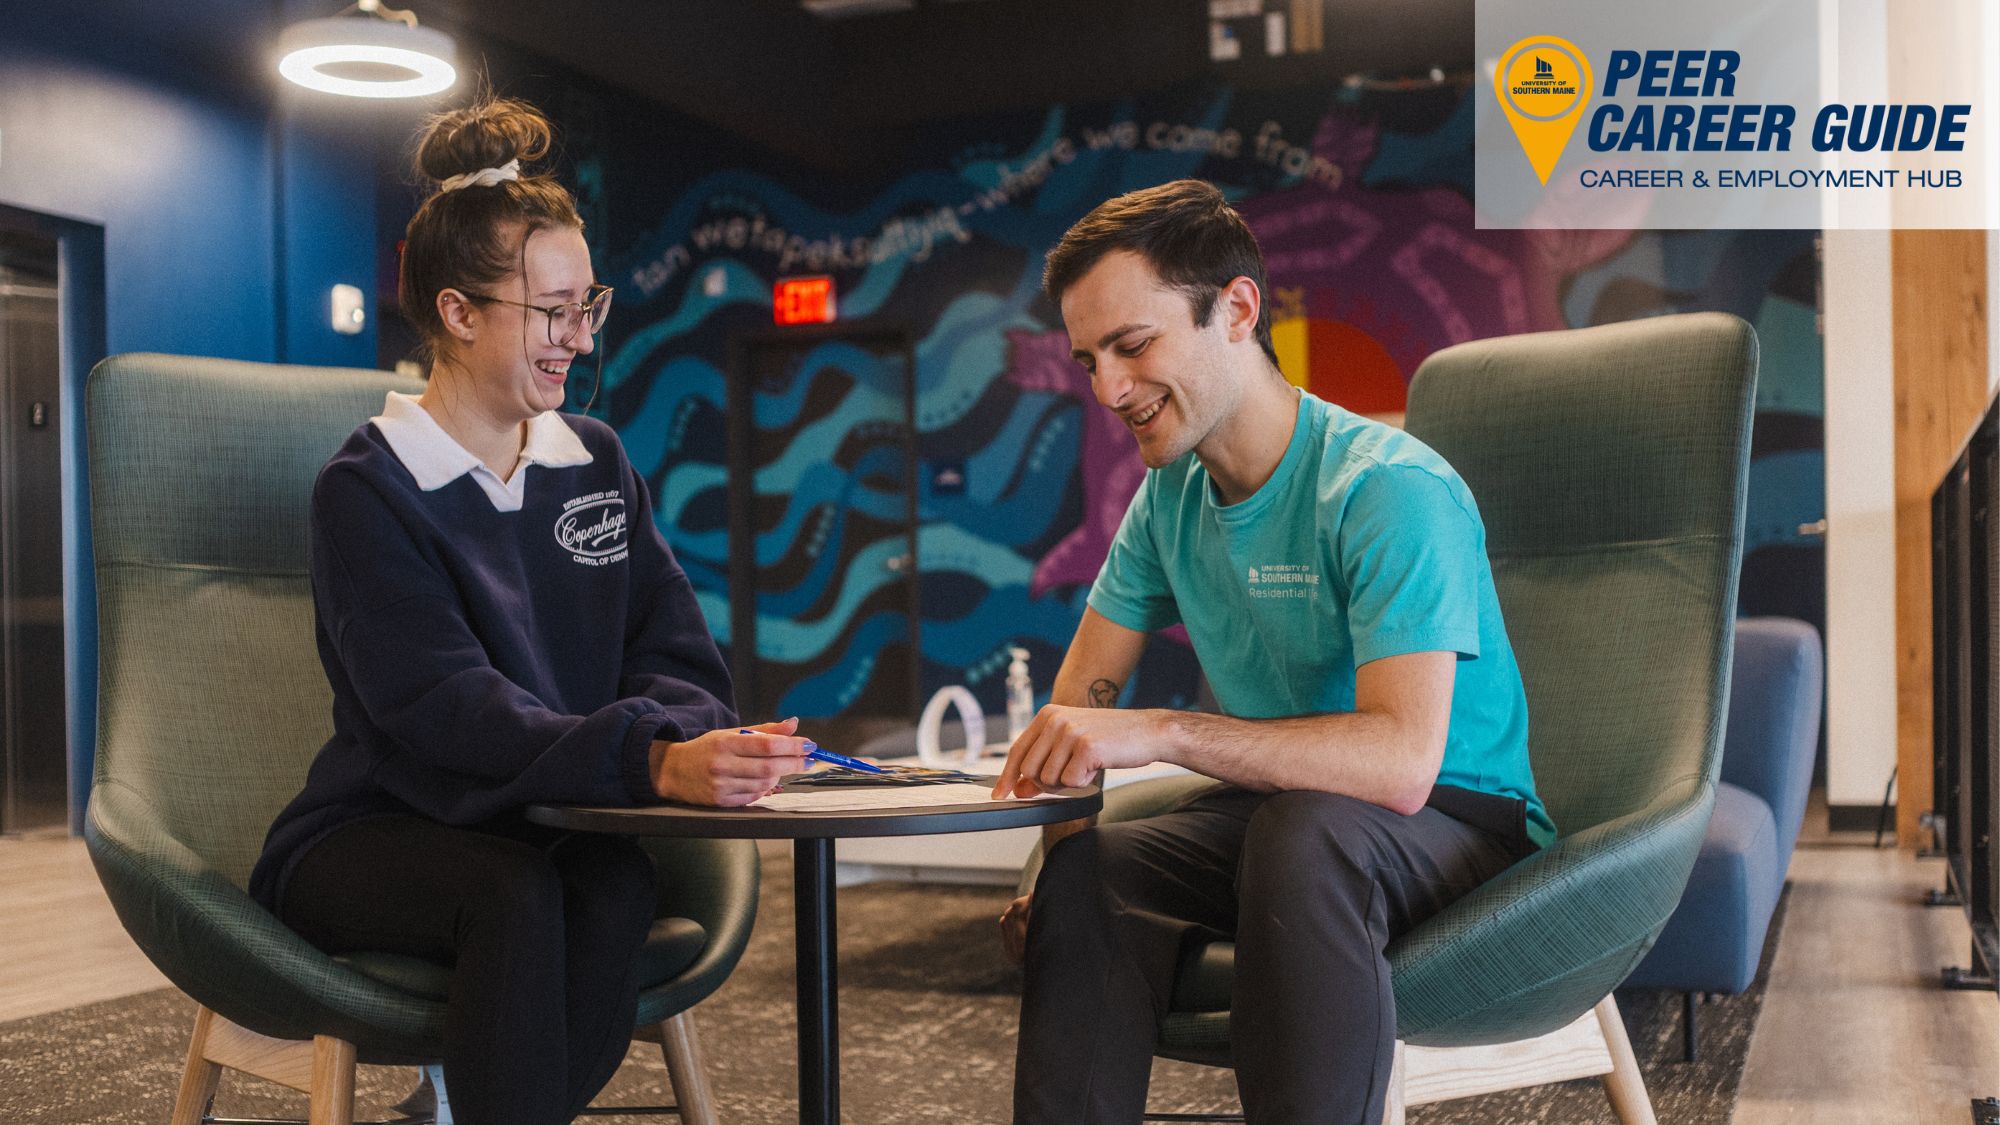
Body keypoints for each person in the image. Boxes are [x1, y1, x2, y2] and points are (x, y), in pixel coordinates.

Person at [247, 97, 809, 1125]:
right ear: (458, 314)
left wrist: (676, 740)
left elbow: (681, 657)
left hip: (547, 823)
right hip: (369, 837)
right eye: (551, 313)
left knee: (611, 883)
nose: (578, 340)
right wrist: (645, 759)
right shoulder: (366, 488)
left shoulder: (593, 457)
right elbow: (442, 708)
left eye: (586, 305)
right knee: (515, 894)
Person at [991, 179, 1556, 1125]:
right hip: (1286, 816)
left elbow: (1399, 765)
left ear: (1238, 310)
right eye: (1090, 360)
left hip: (1459, 822)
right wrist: (1049, 869)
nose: (1109, 391)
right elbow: (1071, 724)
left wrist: (1167, 730)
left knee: (1303, 838)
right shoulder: (1164, 503)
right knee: (1087, 874)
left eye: (1133, 346)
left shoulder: (1388, 490)